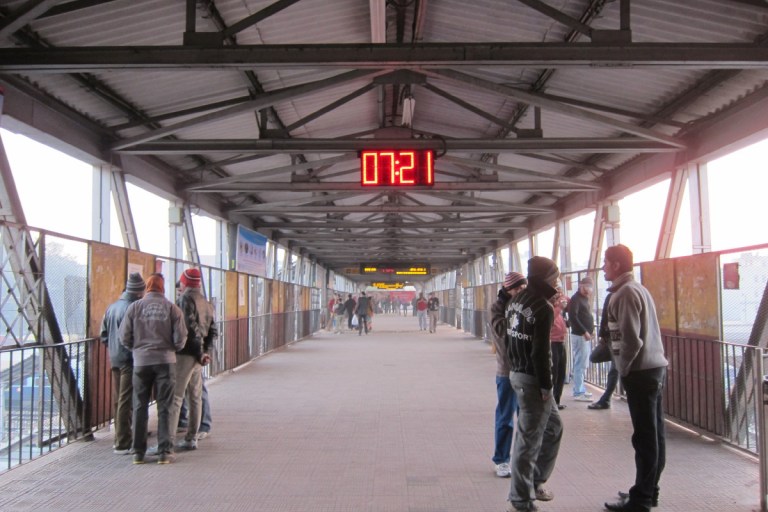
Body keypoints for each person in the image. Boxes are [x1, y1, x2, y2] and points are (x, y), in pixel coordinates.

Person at [602, 245, 668, 512]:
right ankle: (648, 490)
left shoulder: (625, 293)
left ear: (617, 265)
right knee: (654, 434)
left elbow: (631, 339)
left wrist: (623, 369)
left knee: (644, 438)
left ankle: (641, 500)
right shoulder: (638, 289)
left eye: (606, 262)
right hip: (653, 369)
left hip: (640, 372)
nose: (603, 267)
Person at [504, 257, 563, 512]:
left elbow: (509, 340)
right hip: (534, 381)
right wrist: (547, 387)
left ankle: (535, 481)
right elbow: (541, 352)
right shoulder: (543, 307)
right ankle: (521, 500)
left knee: (553, 428)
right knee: (528, 441)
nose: (557, 282)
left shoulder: (515, 301)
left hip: (517, 374)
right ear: (546, 278)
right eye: (555, 277)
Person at [120, 273, 186, 465]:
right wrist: (172, 349)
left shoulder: (134, 308)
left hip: (141, 362)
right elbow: (180, 338)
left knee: (140, 406)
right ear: (163, 287)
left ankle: (138, 453)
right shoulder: (172, 309)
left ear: (147, 287)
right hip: (166, 361)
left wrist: (137, 349)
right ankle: (165, 452)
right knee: (165, 406)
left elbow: (124, 336)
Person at [170, 268, 218, 452]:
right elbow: (213, 331)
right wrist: (205, 352)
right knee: (195, 397)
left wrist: (199, 353)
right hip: (198, 356)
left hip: (185, 354)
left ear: (185, 283)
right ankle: (191, 438)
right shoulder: (206, 302)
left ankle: (167, 442)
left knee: (176, 397)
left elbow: (190, 330)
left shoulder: (184, 300)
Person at [99, 272, 146, 455]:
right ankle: (122, 442)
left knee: (119, 399)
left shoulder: (112, 307)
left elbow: (103, 335)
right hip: (129, 359)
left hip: (115, 357)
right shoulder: (133, 309)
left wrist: (113, 348)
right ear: (138, 291)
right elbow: (137, 335)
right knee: (126, 400)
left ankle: (119, 437)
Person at [489, 271, 527, 478]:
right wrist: (516, 310)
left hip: (526, 371)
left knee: (526, 418)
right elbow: (503, 332)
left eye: (523, 288)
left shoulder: (528, 305)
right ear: (508, 289)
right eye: (517, 288)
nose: (521, 292)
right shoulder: (498, 308)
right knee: (505, 417)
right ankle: (501, 460)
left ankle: (522, 459)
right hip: (507, 370)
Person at [588, 292, 619, 410]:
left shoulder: (618, 296)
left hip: (615, 339)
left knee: (614, 369)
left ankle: (606, 399)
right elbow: (605, 317)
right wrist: (602, 335)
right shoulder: (611, 296)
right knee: (594, 357)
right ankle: (606, 399)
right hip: (610, 338)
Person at [568, 276, 595, 402]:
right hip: (580, 335)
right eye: (586, 286)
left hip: (584, 335)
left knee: (583, 363)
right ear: (580, 285)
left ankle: (581, 388)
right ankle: (578, 391)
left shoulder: (583, 298)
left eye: (590, 287)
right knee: (580, 363)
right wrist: (584, 331)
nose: (588, 289)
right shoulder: (576, 299)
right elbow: (573, 317)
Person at [550, 289, 569, 410]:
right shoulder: (549, 308)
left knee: (561, 372)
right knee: (554, 372)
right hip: (552, 342)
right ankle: (552, 401)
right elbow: (550, 318)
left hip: (561, 341)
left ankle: (557, 400)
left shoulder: (559, 308)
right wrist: (559, 307)